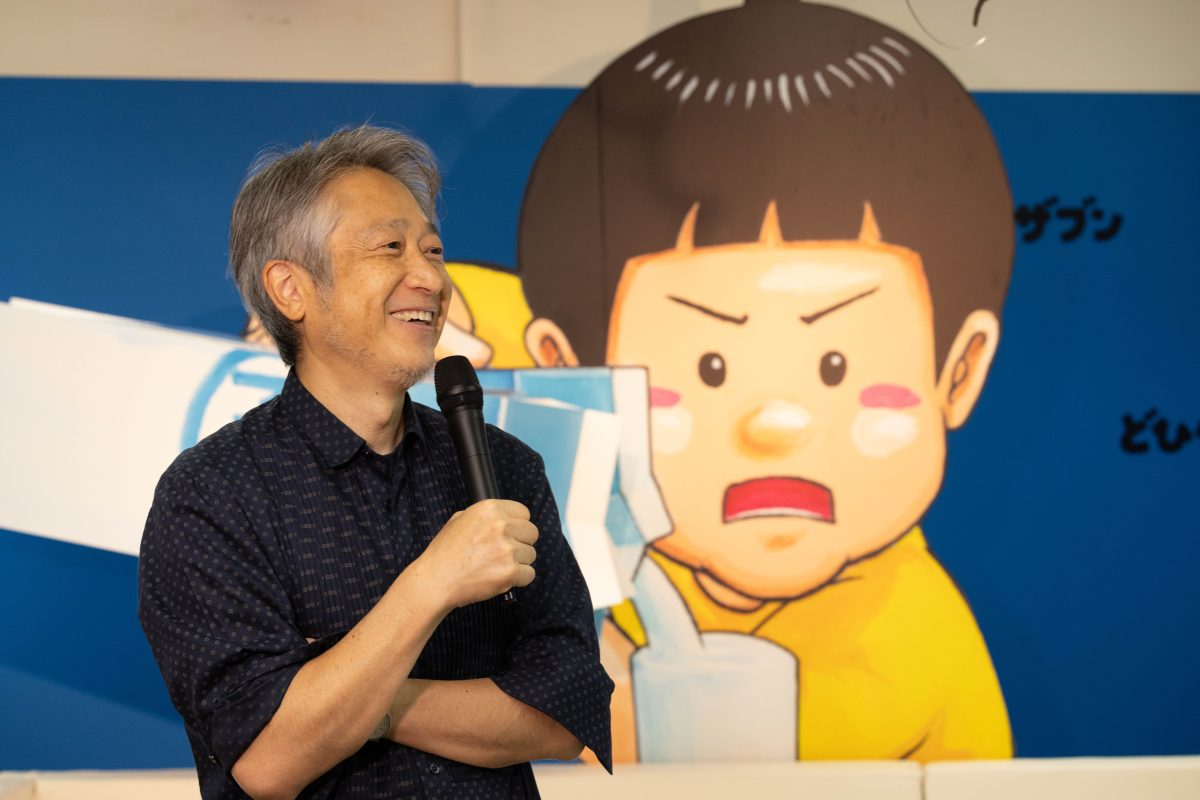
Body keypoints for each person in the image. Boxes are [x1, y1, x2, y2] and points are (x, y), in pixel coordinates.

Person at [516, 1, 1012, 761]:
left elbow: (702, 748)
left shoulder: (904, 636)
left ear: (960, 371)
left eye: (836, 366)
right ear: (571, 377)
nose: (775, 424)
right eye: (709, 368)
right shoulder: (633, 560)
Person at [138, 125, 613, 799]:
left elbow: (567, 713)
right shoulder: (212, 494)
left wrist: (366, 702)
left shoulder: (505, 467)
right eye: (390, 248)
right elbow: (269, 759)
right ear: (290, 289)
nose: (430, 278)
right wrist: (434, 581)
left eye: (433, 250)